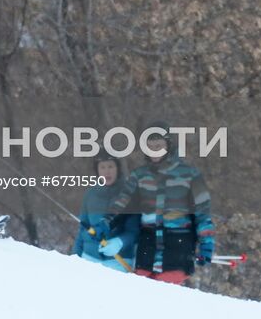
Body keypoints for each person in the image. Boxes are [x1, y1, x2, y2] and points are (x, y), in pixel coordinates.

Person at [98, 120, 215, 285]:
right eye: (150, 146)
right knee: (142, 292)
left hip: (178, 245)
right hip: (148, 245)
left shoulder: (190, 175)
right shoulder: (139, 175)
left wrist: (206, 244)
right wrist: (107, 221)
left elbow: (203, 214)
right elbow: (123, 203)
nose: (154, 151)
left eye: (158, 145)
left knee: (166, 295)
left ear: (168, 145)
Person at [71, 148, 139, 272]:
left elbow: (133, 232)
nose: (107, 172)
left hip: (118, 261)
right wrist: (74, 257)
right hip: (89, 259)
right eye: (102, 167)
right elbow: (83, 228)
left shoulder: (129, 194)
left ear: (118, 168)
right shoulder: (90, 194)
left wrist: (119, 242)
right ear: (97, 170)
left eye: (110, 166)